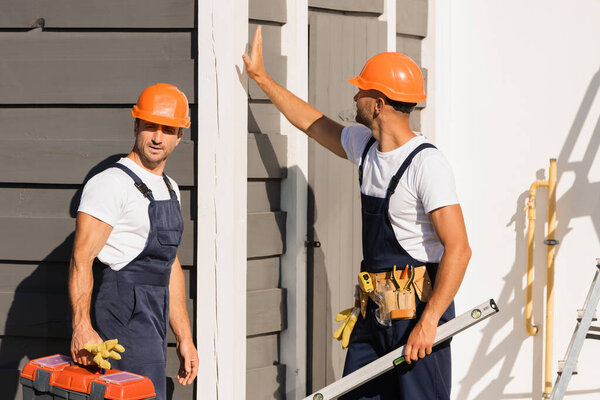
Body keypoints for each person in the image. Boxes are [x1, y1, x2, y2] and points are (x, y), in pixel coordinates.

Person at [243, 26, 471, 399]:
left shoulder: (426, 165)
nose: (355, 95)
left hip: (417, 315)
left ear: (379, 103)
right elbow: (312, 124)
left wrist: (429, 323)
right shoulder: (365, 147)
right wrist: (261, 78)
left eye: (362, 91)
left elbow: (459, 249)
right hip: (374, 315)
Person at [69, 83, 198, 399]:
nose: (157, 138)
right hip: (122, 306)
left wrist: (183, 335)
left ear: (180, 136)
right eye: (150, 127)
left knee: (149, 392)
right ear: (136, 125)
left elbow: (168, 264)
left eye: (167, 130)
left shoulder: (170, 187)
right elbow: (81, 259)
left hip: (155, 309)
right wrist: (82, 327)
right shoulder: (110, 184)